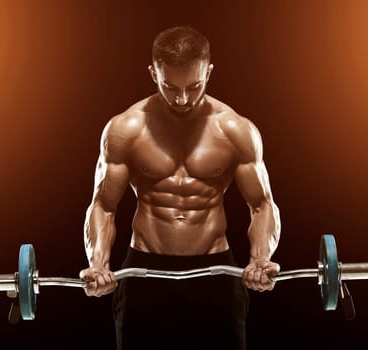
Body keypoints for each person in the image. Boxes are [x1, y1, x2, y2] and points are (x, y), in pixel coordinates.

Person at [79, 25, 281, 350]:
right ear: (153, 72)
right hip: (144, 271)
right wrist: (99, 263)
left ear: (209, 72)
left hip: (216, 272)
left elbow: (262, 204)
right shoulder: (125, 129)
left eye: (195, 86)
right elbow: (103, 205)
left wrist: (260, 258)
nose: (183, 98)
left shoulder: (235, 130)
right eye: (170, 87)